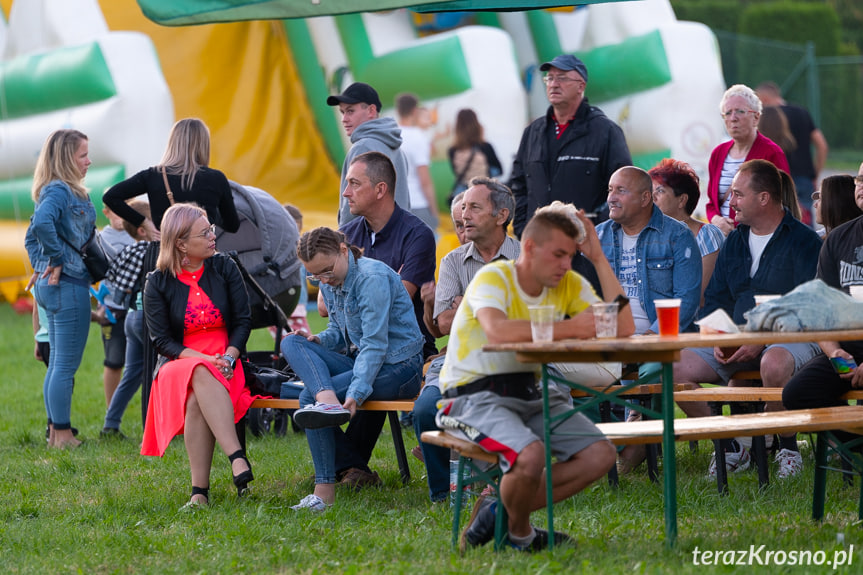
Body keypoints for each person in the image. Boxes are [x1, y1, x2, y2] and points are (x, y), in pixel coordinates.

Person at [438, 201, 633, 552]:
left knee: (600, 455)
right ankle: (520, 533)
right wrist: (570, 327)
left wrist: (599, 259)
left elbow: (624, 326)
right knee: (530, 455)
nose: (566, 265)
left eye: (572, 255)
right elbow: (497, 331)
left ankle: (497, 512)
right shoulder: (494, 276)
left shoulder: (568, 282)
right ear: (529, 247)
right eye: (559, 254)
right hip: (470, 396)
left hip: (532, 391)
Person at [674, 159, 822, 479]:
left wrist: (762, 339)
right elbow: (715, 299)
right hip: (738, 338)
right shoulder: (736, 240)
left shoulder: (805, 241)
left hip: (792, 338)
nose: (731, 201)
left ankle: (787, 448)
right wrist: (718, 335)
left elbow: (811, 307)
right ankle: (731, 446)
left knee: (774, 363)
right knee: (674, 366)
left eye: (738, 194)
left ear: (764, 198)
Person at [282, 227, 424, 511]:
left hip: (399, 367)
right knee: (292, 343)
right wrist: (319, 340)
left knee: (307, 400)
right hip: (361, 359)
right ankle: (327, 399)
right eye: (315, 276)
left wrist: (357, 392)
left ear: (343, 250)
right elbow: (339, 330)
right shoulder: (329, 279)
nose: (324, 279)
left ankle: (323, 493)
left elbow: (374, 345)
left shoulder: (371, 278)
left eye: (327, 271)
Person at [334, 151, 437, 489]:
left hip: (403, 352)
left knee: (372, 367)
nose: (346, 192)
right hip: (353, 345)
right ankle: (351, 466)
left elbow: (400, 298)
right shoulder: (346, 234)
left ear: (380, 189)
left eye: (353, 183)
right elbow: (325, 302)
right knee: (306, 384)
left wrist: (353, 288)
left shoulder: (417, 234)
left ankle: (344, 469)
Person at [141, 204, 255, 507]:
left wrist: (230, 357)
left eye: (211, 229)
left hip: (227, 360)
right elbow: (161, 340)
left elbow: (244, 321)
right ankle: (237, 456)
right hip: (178, 363)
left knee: (196, 398)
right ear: (180, 243)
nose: (212, 236)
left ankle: (199, 494)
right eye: (204, 233)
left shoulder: (225, 267)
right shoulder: (158, 281)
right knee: (199, 370)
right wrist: (202, 359)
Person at [415, 178, 520, 503]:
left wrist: (469, 305)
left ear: (501, 215)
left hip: (511, 357)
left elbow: (528, 317)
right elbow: (444, 323)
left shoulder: (524, 256)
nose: (465, 216)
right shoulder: (452, 261)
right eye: (463, 209)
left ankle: (497, 480)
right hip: (459, 356)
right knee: (424, 411)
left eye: (474, 208)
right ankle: (443, 494)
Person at [24, 129, 94, 449]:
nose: (88, 161)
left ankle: (56, 434)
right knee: (65, 364)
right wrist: (54, 258)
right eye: (82, 155)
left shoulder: (50, 192)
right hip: (67, 285)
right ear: (67, 158)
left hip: (51, 285)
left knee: (57, 364)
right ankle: (63, 435)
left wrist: (41, 265)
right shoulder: (60, 191)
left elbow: (29, 236)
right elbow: (40, 226)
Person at [510, 54, 631, 236]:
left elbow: (625, 188)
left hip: (586, 246)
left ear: (581, 86)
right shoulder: (533, 132)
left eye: (562, 78)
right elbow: (519, 185)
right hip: (538, 244)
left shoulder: (606, 132)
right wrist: (522, 228)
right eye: (549, 78)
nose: (554, 84)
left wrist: (594, 230)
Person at [783, 162, 863, 431]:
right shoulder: (839, 238)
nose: (861, 187)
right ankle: (854, 451)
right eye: (859, 180)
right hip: (848, 351)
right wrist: (835, 353)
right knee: (797, 394)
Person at [597, 166, 702, 336]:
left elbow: (686, 300)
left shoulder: (678, 236)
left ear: (645, 198)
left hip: (661, 339)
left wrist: (652, 337)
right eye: (610, 190)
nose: (611, 198)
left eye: (621, 191)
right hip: (608, 339)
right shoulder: (598, 236)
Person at [102, 117, 240, 236]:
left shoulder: (153, 175)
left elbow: (111, 197)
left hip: (163, 253)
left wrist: (143, 223)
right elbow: (233, 225)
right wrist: (211, 216)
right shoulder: (216, 178)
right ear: (204, 145)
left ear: (172, 143)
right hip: (201, 256)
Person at [101, 199, 159, 437]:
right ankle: (155, 426)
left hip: (131, 318)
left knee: (131, 374)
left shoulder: (129, 250)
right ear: (143, 229)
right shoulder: (153, 251)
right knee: (156, 372)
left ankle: (110, 424)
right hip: (149, 320)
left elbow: (116, 282)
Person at [706, 84, 790, 236]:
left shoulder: (771, 153)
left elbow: (783, 202)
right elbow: (711, 204)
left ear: (756, 117)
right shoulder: (718, 153)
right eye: (728, 113)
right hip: (721, 240)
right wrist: (717, 220)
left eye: (740, 111)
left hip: (756, 239)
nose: (733, 118)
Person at [327, 82, 411, 225]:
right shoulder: (397, 149)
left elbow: (351, 209)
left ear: (371, 111)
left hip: (366, 243)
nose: (344, 119)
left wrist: (345, 239)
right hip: (397, 239)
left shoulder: (362, 147)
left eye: (350, 111)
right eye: (342, 112)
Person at [649, 158, 725, 304]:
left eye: (660, 191)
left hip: (694, 322)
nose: (652, 197)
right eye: (649, 191)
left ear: (682, 200)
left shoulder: (707, 235)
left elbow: (698, 296)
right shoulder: (648, 236)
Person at [756, 81, 829, 217]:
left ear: (764, 99)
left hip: (776, 179)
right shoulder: (802, 112)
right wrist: (814, 174)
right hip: (804, 178)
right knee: (806, 223)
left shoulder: (765, 119)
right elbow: (822, 145)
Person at [96, 206, 137, 408]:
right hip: (112, 309)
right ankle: (111, 410)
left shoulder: (138, 236)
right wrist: (100, 307)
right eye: (116, 211)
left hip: (135, 308)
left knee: (141, 362)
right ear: (106, 212)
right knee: (113, 361)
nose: (121, 217)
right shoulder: (101, 237)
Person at [395, 93, 439, 230]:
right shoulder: (418, 138)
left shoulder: (391, 135)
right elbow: (424, 180)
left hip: (394, 204)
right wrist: (434, 210)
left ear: (398, 111)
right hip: (417, 203)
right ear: (415, 111)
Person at [447, 109, 503, 201]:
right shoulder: (485, 147)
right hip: (485, 194)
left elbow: (457, 173)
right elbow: (499, 170)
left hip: (463, 196)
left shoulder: (453, 150)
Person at [283, 203, 311, 335]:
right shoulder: (278, 249)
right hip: (288, 303)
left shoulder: (302, 247)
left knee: (291, 340)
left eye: (298, 231)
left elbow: (310, 271)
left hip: (297, 303)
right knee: (303, 340)